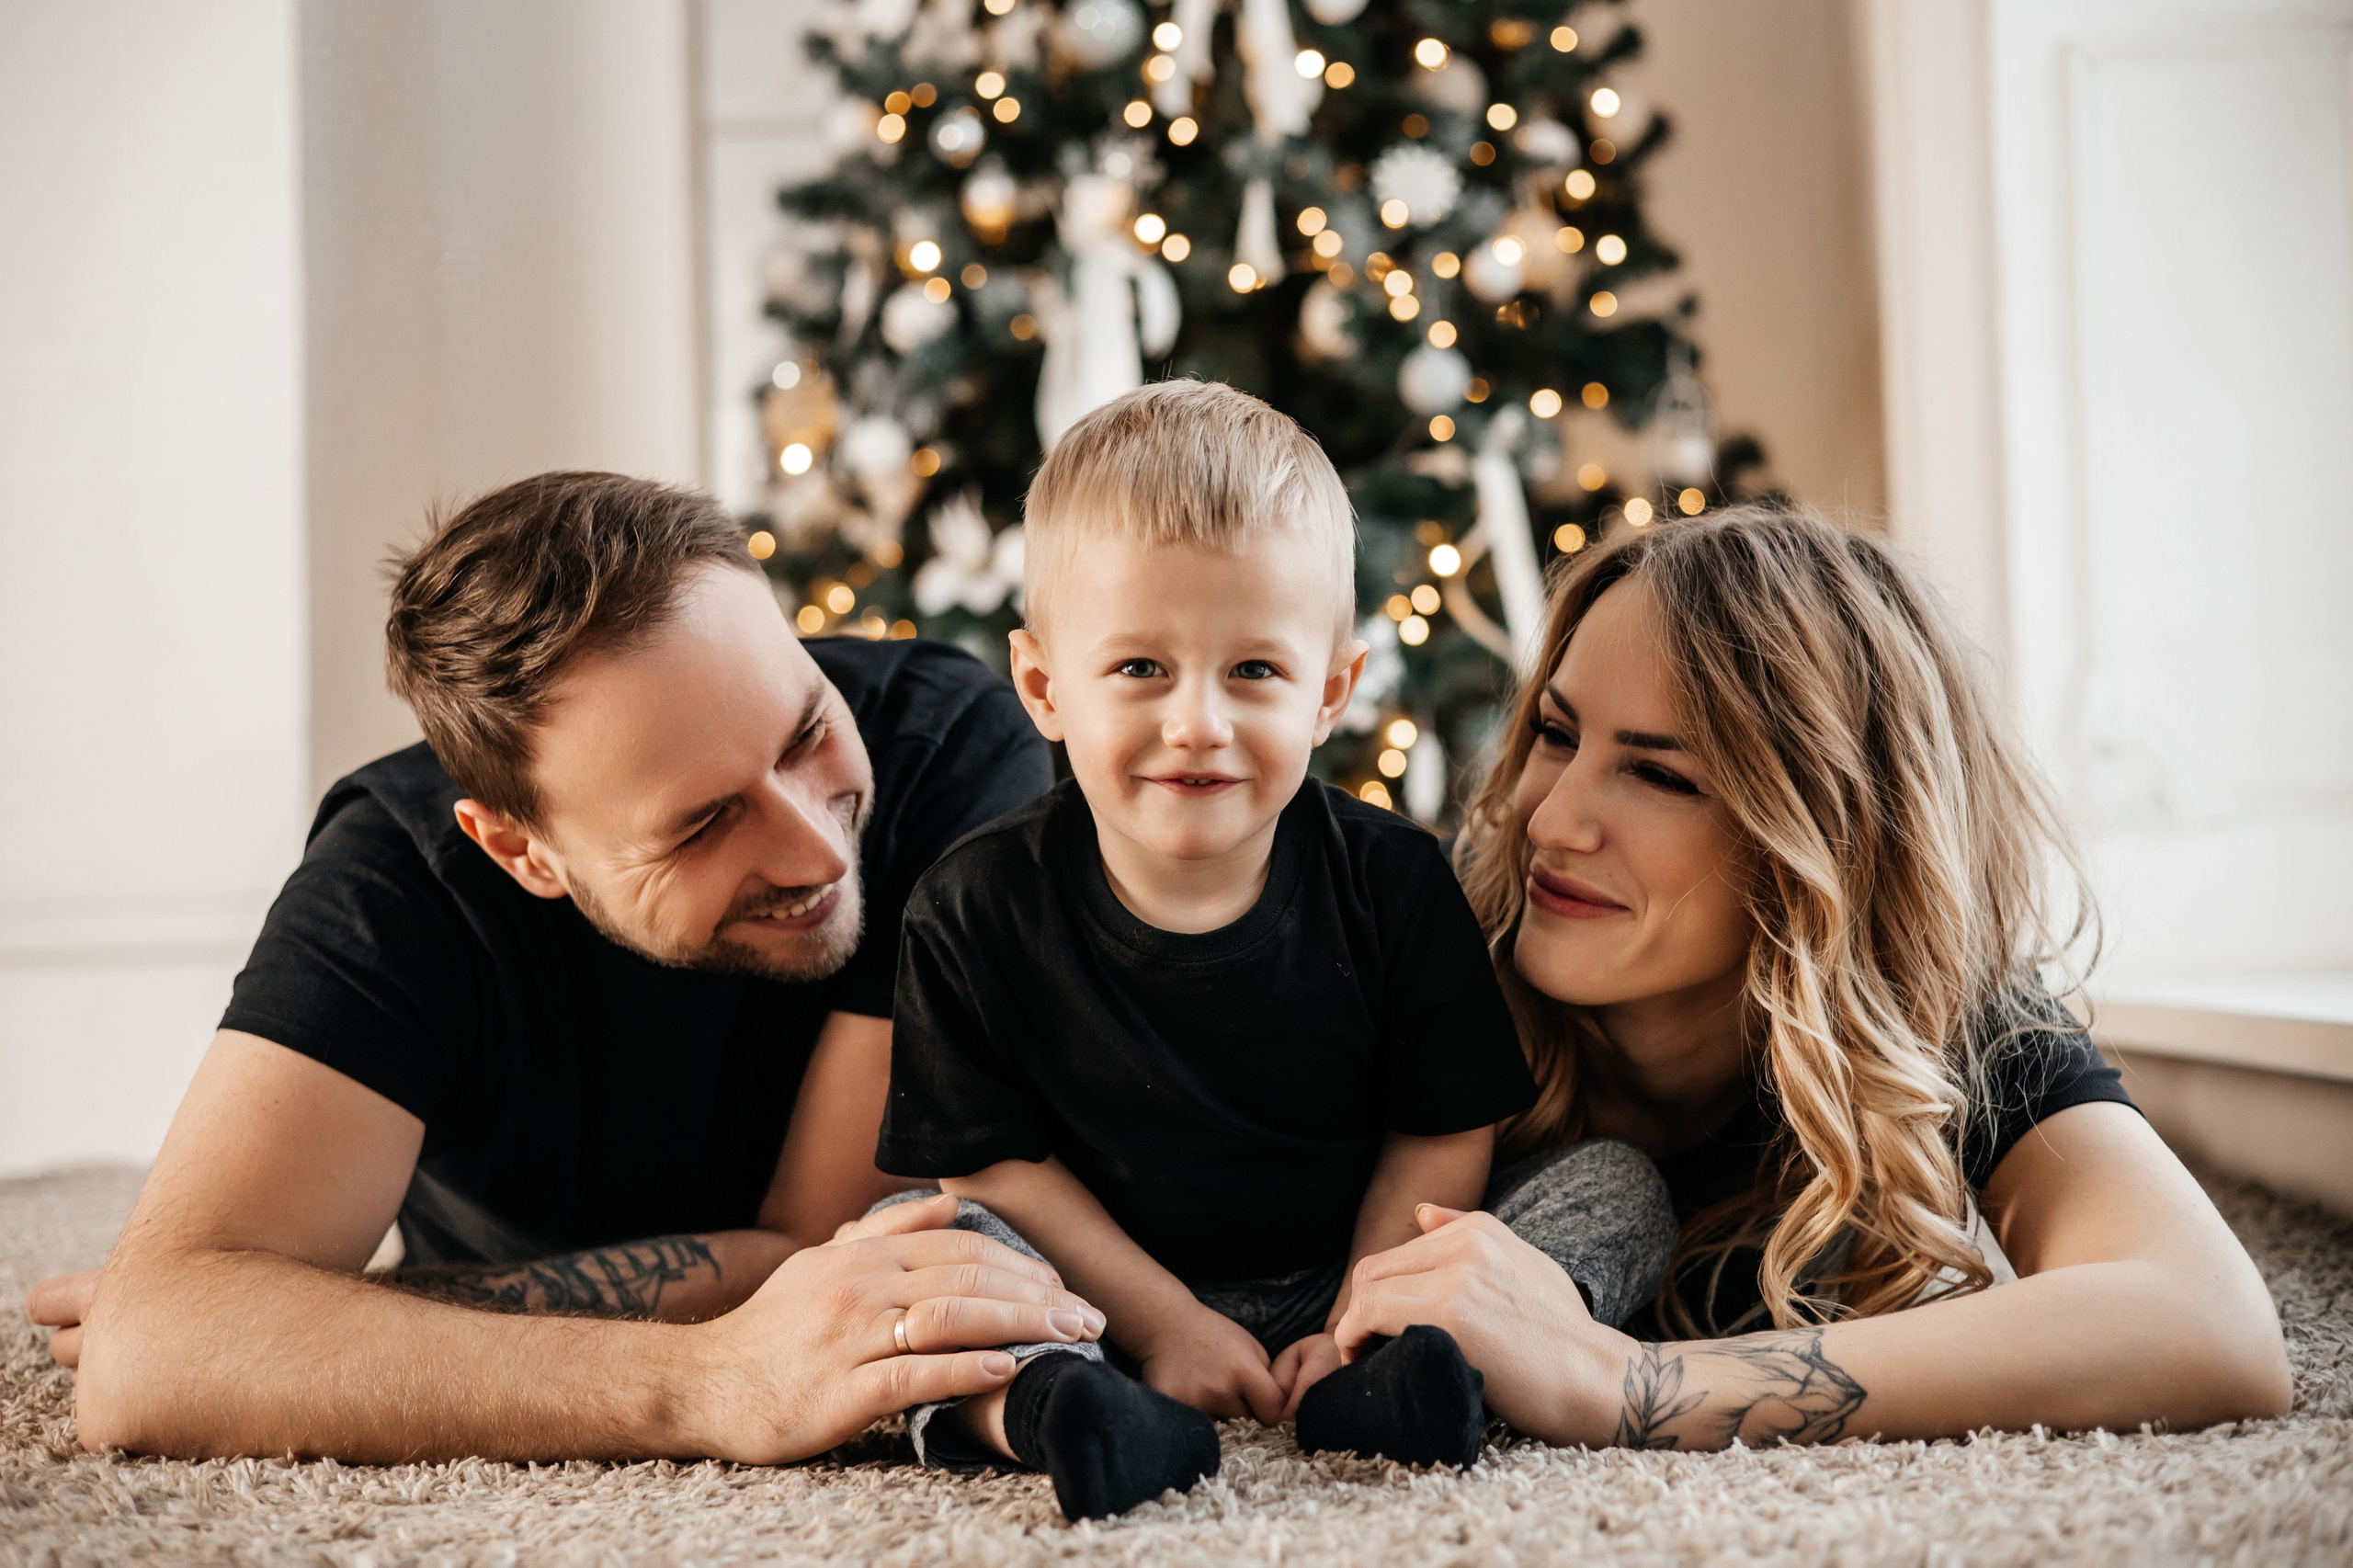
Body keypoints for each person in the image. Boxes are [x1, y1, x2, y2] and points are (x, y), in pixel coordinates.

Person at [24, 472, 1108, 1464]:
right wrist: (705, 1379)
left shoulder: (946, 746)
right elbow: (150, 1351)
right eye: (703, 822)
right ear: (520, 848)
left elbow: (839, 1248)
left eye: (805, 729)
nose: (818, 848)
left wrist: (325, 1315)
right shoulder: (399, 879)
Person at [870, 381, 1677, 1519]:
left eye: (1253, 670)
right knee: (912, 1243)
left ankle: (1412, 1376)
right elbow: (992, 1169)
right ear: (1045, 686)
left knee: (1616, 1186)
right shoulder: (971, 903)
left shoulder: (1392, 879)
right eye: (1139, 667)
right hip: (1092, 1295)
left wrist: (1363, 1306)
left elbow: (1440, 1122)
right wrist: (1164, 1326)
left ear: (1331, 691)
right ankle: (1053, 1408)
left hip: (1356, 1271)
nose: (1197, 720)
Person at [1331, 505, 2295, 1449]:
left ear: (1827, 839)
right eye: (1554, 730)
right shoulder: (1411, 922)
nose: (1549, 820)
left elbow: (2212, 1325)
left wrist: (1618, 1380)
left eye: (1660, 775)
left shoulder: (1933, 1010)